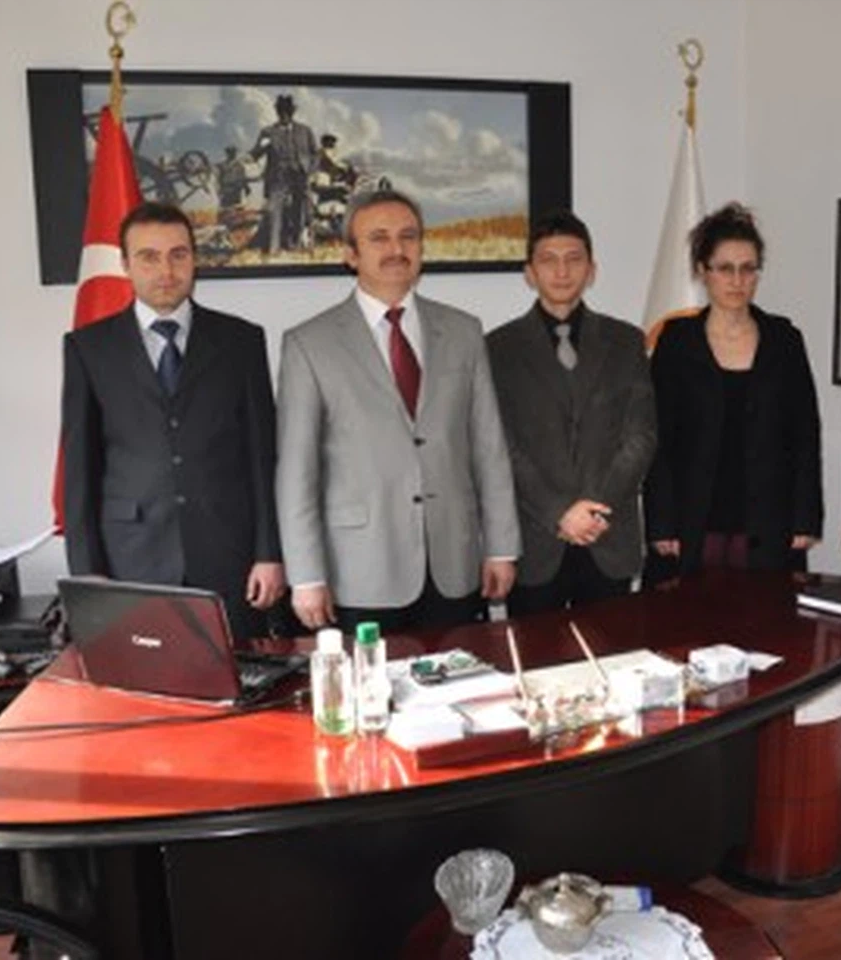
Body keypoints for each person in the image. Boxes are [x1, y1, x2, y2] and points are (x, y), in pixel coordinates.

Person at [276, 189, 520, 633]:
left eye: (409, 236)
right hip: (360, 570)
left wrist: (501, 547)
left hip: (454, 560)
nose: (397, 249)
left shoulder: (463, 332)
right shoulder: (309, 344)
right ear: (350, 254)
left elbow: (489, 448)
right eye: (379, 238)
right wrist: (306, 576)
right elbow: (297, 470)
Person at [60, 202, 286, 641]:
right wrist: (87, 571)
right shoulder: (88, 348)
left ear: (194, 259)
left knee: (240, 675)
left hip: (229, 557)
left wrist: (269, 553)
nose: (166, 270)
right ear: (126, 264)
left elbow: (263, 457)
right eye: (149, 257)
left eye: (178, 255)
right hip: (131, 559)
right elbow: (80, 468)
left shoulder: (241, 341)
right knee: (144, 677)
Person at [487, 210, 656, 615]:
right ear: (530, 273)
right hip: (536, 542)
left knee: (614, 652)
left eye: (574, 259)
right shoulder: (497, 348)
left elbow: (641, 437)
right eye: (548, 260)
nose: (562, 271)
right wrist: (559, 512)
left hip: (608, 536)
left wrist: (593, 510)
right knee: (535, 654)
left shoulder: (626, 341)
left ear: (592, 270)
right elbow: (500, 446)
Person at [644, 202, 822, 580]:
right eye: (725, 268)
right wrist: (661, 522)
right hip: (692, 522)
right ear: (702, 271)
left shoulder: (785, 340)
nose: (737, 280)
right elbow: (657, 437)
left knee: (765, 615)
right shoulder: (677, 342)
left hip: (769, 521)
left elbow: (806, 434)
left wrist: (806, 518)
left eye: (748, 268)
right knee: (689, 615)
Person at [250, 94, 317, 255]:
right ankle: (274, 248)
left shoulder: (305, 131)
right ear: (277, 112)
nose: (284, 114)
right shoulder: (268, 132)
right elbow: (255, 155)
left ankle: (296, 245)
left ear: (292, 112)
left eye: (287, 111)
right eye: (281, 111)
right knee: (274, 210)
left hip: (300, 176)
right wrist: (262, 145)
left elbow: (315, 154)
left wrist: (310, 171)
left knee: (299, 211)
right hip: (278, 177)